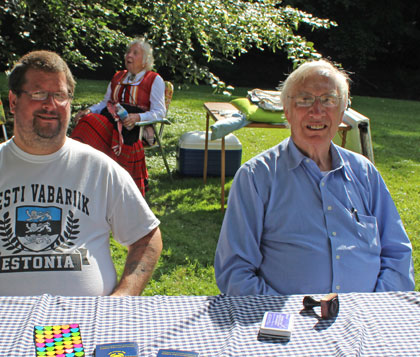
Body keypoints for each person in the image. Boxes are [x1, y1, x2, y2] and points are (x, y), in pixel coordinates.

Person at [0, 50, 163, 296]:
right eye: (39, 93)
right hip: (0, 325)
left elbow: (146, 237)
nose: (51, 105)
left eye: (60, 95)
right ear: (13, 101)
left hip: (87, 324)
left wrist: (123, 297)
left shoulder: (100, 169)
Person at [214, 59, 415, 296]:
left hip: (368, 318)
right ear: (286, 112)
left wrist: (373, 309)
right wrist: (287, 320)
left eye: (329, 100)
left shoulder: (364, 172)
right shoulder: (256, 177)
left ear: (342, 113)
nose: (317, 111)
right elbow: (235, 271)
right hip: (290, 322)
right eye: (304, 99)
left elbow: (398, 255)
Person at [70, 38, 166, 196]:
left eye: (135, 53)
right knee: (87, 120)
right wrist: (89, 110)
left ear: (145, 60)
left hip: (134, 128)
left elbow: (159, 112)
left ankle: (81, 171)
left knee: (90, 124)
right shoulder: (118, 77)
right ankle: (78, 167)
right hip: (111, 121)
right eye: (128, 52)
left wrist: (137, 117)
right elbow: (105, 103)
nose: (129, 55)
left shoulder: (153, 79)